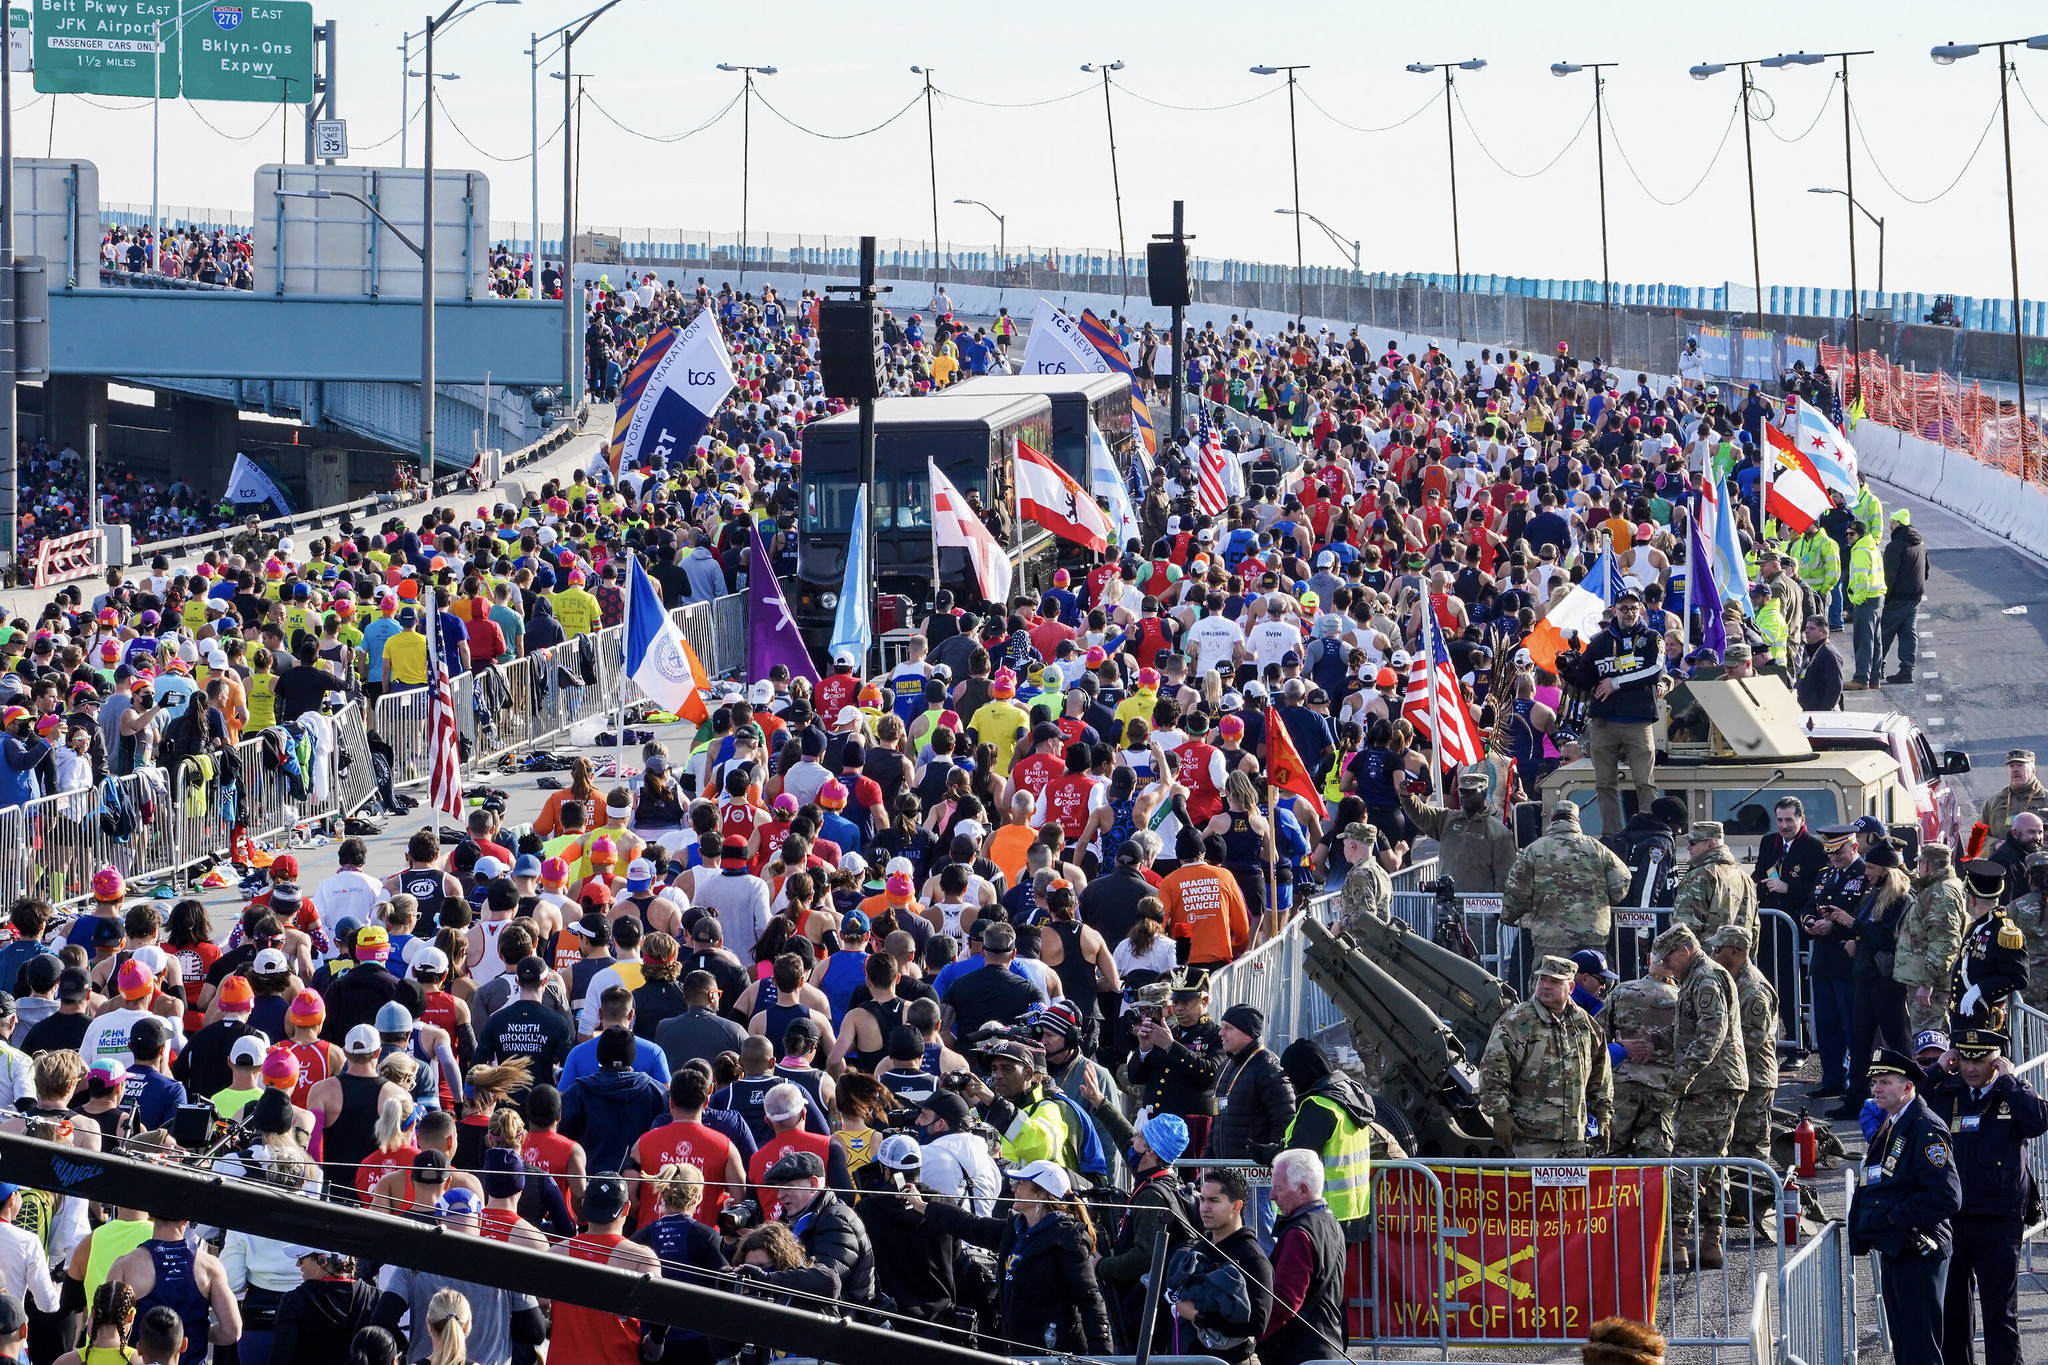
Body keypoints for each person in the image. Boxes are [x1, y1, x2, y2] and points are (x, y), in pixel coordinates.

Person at [1917, 1029, 2048, 1365]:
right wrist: (1937, 1069)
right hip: (1952, 1218)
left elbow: (2038, 1121)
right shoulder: (1947, 1090)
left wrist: (2010, 1081)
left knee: (1999, 1315)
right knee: (1954, 1314)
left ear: (1997, 1061)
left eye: (1980, 1059)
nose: (1971, 1067)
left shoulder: (2012, 1094)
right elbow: (1909, 1100)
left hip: (1999, 1219)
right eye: (1964, 1058)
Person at [909, 1158, 1114, 1354]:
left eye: (1021, 1184)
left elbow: (1091, 1303)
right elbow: (970, 1224)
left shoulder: (1067, 1241)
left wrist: (1101, 1356)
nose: (1014, 1189)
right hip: (1016, 1348)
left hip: (1054, 1352)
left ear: (1040, 1194)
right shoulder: (1014, 1229)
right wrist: (922, 1206)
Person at [1849, 1048, 1963, 1365]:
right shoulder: (1895, 1122)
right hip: (1898, 1247)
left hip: (1918, 1250)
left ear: (1908, 1087)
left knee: (1921, 1350)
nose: (1877, 1089)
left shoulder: (1925, 1128)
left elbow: (1947, 1195)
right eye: (1875, 1082)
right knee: (1906, 1347)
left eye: (1885, 1082)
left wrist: (1895, 1218)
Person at [1655, 923, 1747, 1271]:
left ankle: (1674, 1244)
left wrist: (1682, 1077)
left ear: (1684, 951)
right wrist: (1656, 1040)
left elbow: (1711, 1033)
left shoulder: (1706, 978)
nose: (1666, 965)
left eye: (1668, 958)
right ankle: (1711, 1242)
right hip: (1714, 1083)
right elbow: (1689, 1029)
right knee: (1710, 1162)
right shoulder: (1698, 978)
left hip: (1712, 1084)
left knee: (1688, 1161)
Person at [1477, 955, 1611, 1159]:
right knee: (1533, 1191)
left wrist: (1603, 1116)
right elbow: (1494, 1068)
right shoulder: (1518, 1020)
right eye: (1543, 979)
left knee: (1572, 1192)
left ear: (1571, 987)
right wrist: (1499, 1113)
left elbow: (1600, 1075)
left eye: (1555, 981)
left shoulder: (1584, 1024)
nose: (1546, 986)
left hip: (1575, 1138)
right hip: (1532, 1139)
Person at [1096, 1113, 1194, 1350]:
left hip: (1141, 1309)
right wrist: (1101, 1105)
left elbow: (1144, 1257)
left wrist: (1101, 1266)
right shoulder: (1165, 1180)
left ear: (1149, 1150)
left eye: (1139, 1136)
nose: (1133, 1141)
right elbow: (1125, 1140)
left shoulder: (1152, 1195)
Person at [1502, 802, 1631, 972]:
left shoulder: (1535, 849)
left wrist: (1509, 916)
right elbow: (1622, 879)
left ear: (1551, 820)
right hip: (1592, 934)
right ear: (1577, 820)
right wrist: (1603, 902)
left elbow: (1516, 890)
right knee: (1591, 987)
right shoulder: (1596, 848)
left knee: (1550, 988)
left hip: (1551, 937)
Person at [107, 1212, 242, 1365]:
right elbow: (231, 1331)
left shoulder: (125, 1265)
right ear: (187, 1220)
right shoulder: (209, 1265)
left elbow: (106, 1331)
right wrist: (199, 1333)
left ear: (151, 1216)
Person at [1171, 1166, 1273, 1365]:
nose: (1204, 1207)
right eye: (1202, 1199)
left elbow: (1258, 1324)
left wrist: (1199, 1316)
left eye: (1214, 1200)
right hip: (1193, 1356)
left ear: (1236, 1206)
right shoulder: (1200, 1247)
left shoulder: (1252, 1257)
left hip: (1235, 1360)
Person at [1258, 1147, 1346, 1365]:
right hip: (1325, 1345)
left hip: (1300, 1352)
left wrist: (1251, 1335)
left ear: (1303, 1190)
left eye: (1278, 1188)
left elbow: (1285, 1302)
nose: (1272, 1195)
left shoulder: (1300, 1234)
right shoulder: (1329, 1221)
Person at [760, 1149, 876, 1304]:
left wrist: (766, 1279)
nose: (780, 1195)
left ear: (813, 1184)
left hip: (843, 1321)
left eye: (787, 1186)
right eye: (777, 1188)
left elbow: (827, 1282)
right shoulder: (792, 1222)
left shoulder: (835, 1219)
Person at [1604, 950, 1678, 1155]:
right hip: (1663, 1086)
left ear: (1648, 960)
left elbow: (1597, 1037)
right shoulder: (1681, 997)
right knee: (1655, 1160)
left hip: (1622, 1082)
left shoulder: (1622, 991)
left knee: (1609, 1154)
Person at [1397, 771, 1517, 893]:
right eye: (1462, 791)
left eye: (1470, 791)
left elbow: (1505, 875)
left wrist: (1498, 908)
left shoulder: (1498, 832)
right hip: (1447, 903)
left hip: (1480, 908)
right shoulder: (1448, 818)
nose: (1464, 795)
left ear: (1484, 793)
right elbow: (1422, 814)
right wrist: (1407, 797)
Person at [1205, 1003, 1295, 1161]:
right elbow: (1217, 1118)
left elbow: (1285, 1120)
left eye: (1228, 1028)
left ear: (1247, 1033)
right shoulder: (1226, 1065)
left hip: (1255, 1172)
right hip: (1225, 1169)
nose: (1221, 1032)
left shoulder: (1268, 1067)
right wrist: (1208, 1158)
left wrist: (1269, 1158)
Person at [269, 1248, 378, 1365]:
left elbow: (280, 1356)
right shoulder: (374, 1296)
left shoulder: (293, 1300)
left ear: (322, 1260)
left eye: (301, 1259)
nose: (298, 1264)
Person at [1669, 822, 1758, 942]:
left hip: (1705, 957)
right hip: (1737, 957)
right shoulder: (1745, 879)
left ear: (1711, 844)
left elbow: (1683, 930)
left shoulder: (1699, 876)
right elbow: (1754, 929)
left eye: (1693, 843)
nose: (1688, 847)